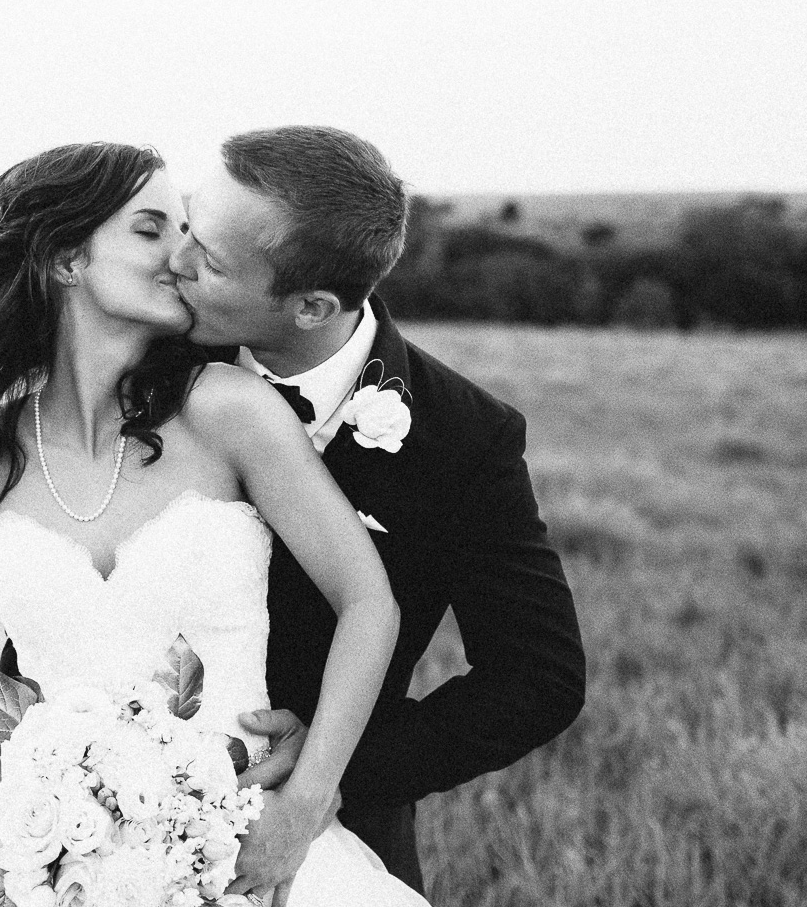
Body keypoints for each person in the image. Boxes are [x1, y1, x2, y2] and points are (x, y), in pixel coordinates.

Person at [0, 141, 428, 907]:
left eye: (185, 228)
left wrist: (305, 801)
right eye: (151, 229)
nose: (183, 254)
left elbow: (368, 602)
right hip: (58, 864)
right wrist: (10, 814)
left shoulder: (229, 410)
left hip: (241, 849)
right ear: (66, 258)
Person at [170, 126, 587, 895]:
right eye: (187, 225)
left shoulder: (464, 435)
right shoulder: (148, 371)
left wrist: (331, 771)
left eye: (213, 262)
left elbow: (539, 679)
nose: (177, 262)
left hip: (334, 839)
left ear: (312, 305)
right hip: (121, 811)